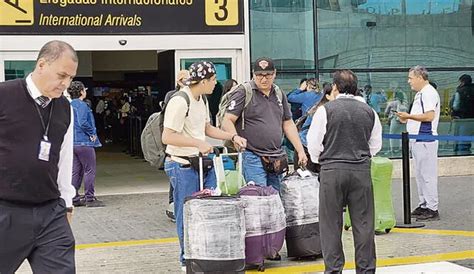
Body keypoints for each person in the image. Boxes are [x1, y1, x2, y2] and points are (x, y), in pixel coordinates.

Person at [0, 40, 77, 273]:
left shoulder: (66, 107)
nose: (66, 84)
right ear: (42, 64)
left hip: (50, 214)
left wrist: (67, 203)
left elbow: (64, 158)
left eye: (71, 78)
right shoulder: (4, 95)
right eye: (62, 75)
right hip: (6, 211)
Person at [162, 61, 247, 270]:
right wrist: (197, 143)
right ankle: (186, 259)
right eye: (213, 79)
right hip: (181, 165)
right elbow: (168, 136)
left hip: (201, 163)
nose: (215, 83)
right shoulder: (180, 101)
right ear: (203, 81)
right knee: (187, 212)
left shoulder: (202, 100)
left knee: (208, 208)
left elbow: (207, 128)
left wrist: (232, 136)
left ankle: (204, 253)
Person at [307, 69, 382, 274]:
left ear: (335, 87)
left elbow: (313, 143)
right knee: (364, 225)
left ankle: (333, 270)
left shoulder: (326, 110)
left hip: (332, 170)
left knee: (330, 225)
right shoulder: (369, 111)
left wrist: (322, 160)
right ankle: (366, 270)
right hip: (360, 171)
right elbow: (375, 145)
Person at [221, 57, 308, 191]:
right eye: (259, 75)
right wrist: (235, 137)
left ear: (274, 74)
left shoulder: (279, 93)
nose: (263, 79)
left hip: (276, 155)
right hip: (252, 155)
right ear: (253, 74)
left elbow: (288, 123)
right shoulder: (244, 92)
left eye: (268, 75)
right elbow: (227, 120)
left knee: (277, 200)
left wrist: (300, 150)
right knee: (259, 199)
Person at [396, 65, 441, 221]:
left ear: (420, 77)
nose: (409, 81)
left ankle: (432, 207)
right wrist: (407, 118)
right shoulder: (422, 93)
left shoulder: (428, 93)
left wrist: (408, 116)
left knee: (427, 174)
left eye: (411, 78)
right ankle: (424, 204)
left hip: (425, 138)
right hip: (418, 139)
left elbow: (429, 116)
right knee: (420, 174)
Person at [69, 81, 104, 208]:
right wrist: (92, 134)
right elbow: (83, 122)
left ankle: (73, 197)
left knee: (76, 171)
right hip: (84, 142)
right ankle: (89, 197)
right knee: (89, 170)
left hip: (72, 142)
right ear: (81, 91)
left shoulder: (68, 105)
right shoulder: (82, 105)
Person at [164, 69, 190, 223]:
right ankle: (173, 207)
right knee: (176, 181)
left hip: (189, 151)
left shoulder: (197, 98)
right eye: (185, 79)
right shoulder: (175, 97)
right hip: (175, 148)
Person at [294, 82, 335, 172]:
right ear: (327, 96)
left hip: (312, 149)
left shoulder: (323, 107)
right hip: (307, 149)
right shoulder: (322, 111)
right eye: (335, 94)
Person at [451, 74, 474, 155]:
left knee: (463, 143)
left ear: (462, 82)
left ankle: (463, 158)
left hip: (464, 119)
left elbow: (455, 106)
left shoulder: (460, 91)